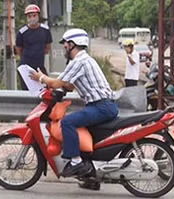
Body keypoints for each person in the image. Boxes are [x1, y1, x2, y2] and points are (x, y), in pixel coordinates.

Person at [29, 28, 117, 182]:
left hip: (101, 106)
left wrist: (41, 78)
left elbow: (58, 82)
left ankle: (76, 162)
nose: (64, 48)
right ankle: (91, 178)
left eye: (65, 45)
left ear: (72, 45)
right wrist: (60, 88)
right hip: (101, 105)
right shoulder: (84, 60)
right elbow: (68, 85)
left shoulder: (79, 61)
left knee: (67, 122)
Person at [15, 4, 52, 90]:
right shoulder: (22, 32)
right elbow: (18, 49)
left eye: (34, 15)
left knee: (45, 88)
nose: (32, 18)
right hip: (26, 67)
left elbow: (47, 47)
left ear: (38, 15)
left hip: (40, 66)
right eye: (29, 16)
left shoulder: (45, 30)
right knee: (27, 90)